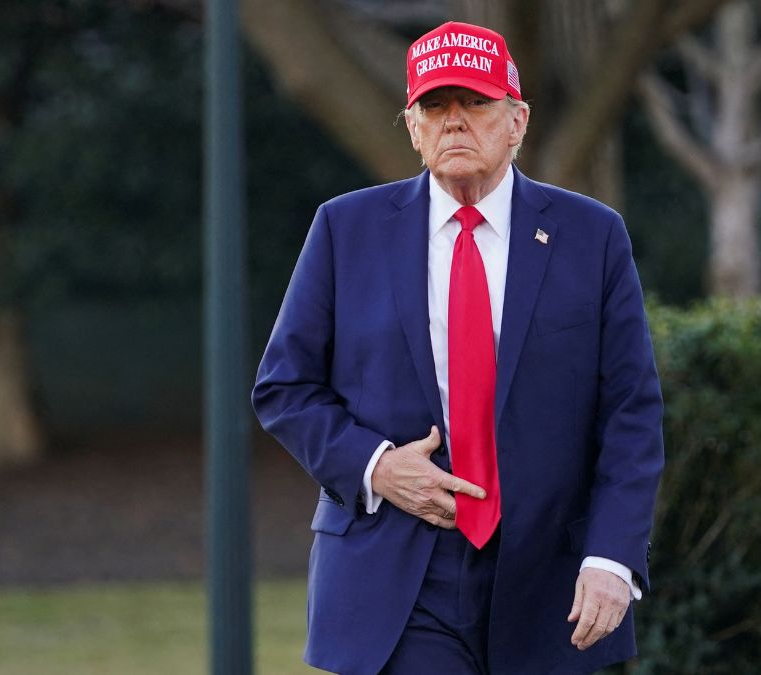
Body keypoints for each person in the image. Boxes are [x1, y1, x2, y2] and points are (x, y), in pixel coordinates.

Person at [252, 20, 663, 675]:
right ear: (412, 128)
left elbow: (631, 411)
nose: (454, 122)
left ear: (517, 120)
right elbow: (284, 386)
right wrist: (376, 466)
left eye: (475, 102)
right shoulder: (344, 230)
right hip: (397, 574)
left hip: (547, 575)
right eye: (435, 107)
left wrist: (612, 556)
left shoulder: (592, 237)